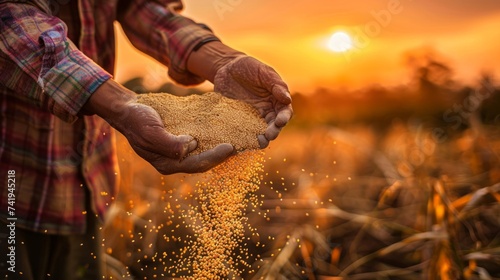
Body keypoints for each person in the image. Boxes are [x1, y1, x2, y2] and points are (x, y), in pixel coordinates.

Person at [0, 0, 293, 279]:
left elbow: (142, 8)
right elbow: (9, 22)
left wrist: (224, 59)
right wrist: (119, 104)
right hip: (11, 195)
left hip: (84, 189)